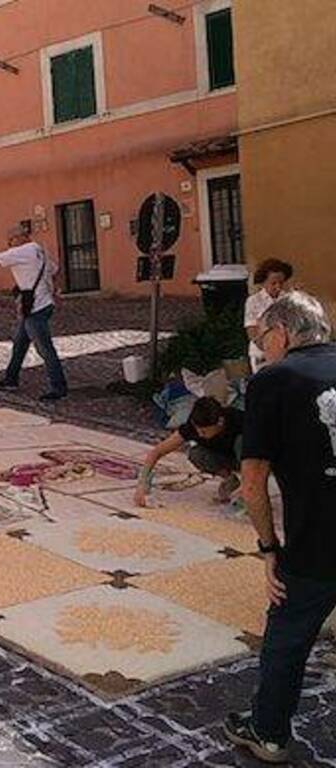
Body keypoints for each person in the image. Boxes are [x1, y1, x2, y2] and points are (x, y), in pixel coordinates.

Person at [222, 291, 336, 764]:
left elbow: (252, 480)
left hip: (318, 540)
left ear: (282, 333)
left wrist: (269, 548)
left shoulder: (274, 380)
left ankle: (267, 731)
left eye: (264, 336)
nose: (262, 346)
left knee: (288, 636)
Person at [0, 225, 67, 400]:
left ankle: (59, 387)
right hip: (42, 304)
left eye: (10, 240)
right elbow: (55, 271)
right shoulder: (39, 250)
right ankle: (11, 378)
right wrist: (52, 289)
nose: (9, 244)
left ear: (19, 237)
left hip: (36, 308)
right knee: (19, 344)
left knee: (45, 349)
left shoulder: (23, 251)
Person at [134, 396, 243, 507]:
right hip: (225, 458)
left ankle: (248, 482)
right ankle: (230, 479)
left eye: (204, 432)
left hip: (251, 460)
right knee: (197, 454)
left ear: (220, 422)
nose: (200, 435)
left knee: (242, 442)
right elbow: (157, 452)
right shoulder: (193, 428)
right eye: (198, 431)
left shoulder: (238, 420)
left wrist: (248, 486)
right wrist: (143, 483)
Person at [245, 259, 294, 374]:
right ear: (263, 283)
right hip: (261, 354)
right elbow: (251, 330)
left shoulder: (288, 300)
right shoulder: (253, 301)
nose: (278, 287)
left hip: (285, 354)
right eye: (273, 283)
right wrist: (270, 352)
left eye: (281, 283)